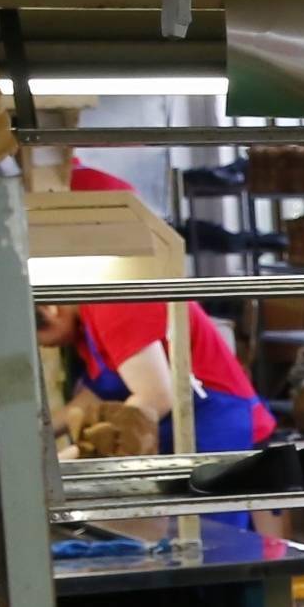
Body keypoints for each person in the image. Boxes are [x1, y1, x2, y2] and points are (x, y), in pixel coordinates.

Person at [48, 162, 279, 455]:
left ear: (51, 309)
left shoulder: (114, 293)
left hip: (224, 440)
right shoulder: (90, 312)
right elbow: (98, 395)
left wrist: (69, 462)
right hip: (201, 439)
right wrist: (38, 434)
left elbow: (155, 396)